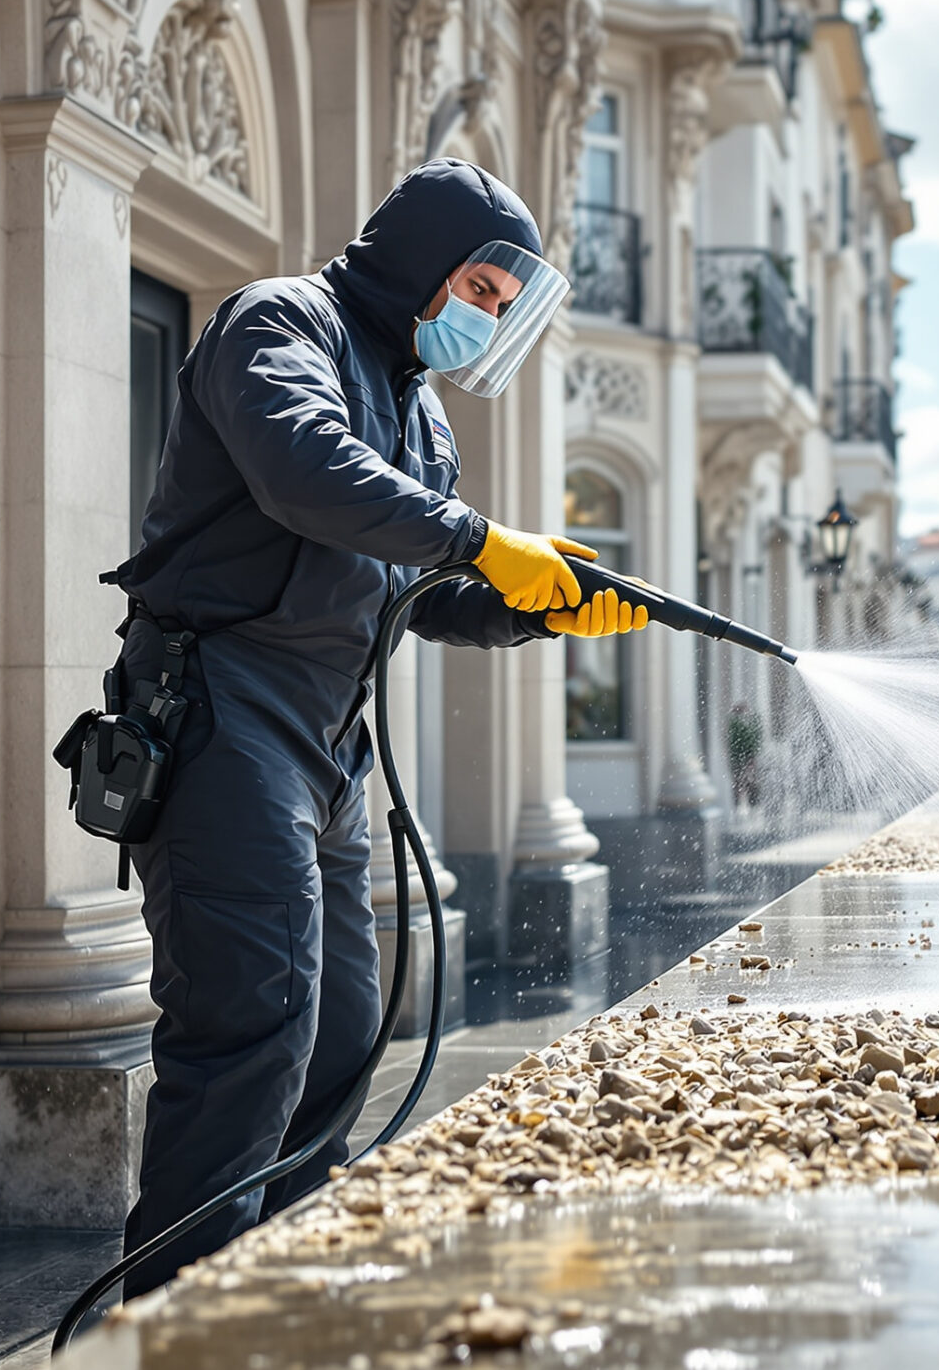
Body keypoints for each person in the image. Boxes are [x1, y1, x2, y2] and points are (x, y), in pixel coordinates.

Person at [103, 159, 649, 1295]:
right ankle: (171, 1321)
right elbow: (307, 472)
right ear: (423, 263)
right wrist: (485, 539)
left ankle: (289, 1288)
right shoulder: (279, 321)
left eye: (500, 307)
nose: (484, 319)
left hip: (327, 742)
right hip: (220, 714)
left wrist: (535, 605)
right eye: (481, 293)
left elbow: (421, 591)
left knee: (345, 1023)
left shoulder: (419, 410)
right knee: (253, 1029)